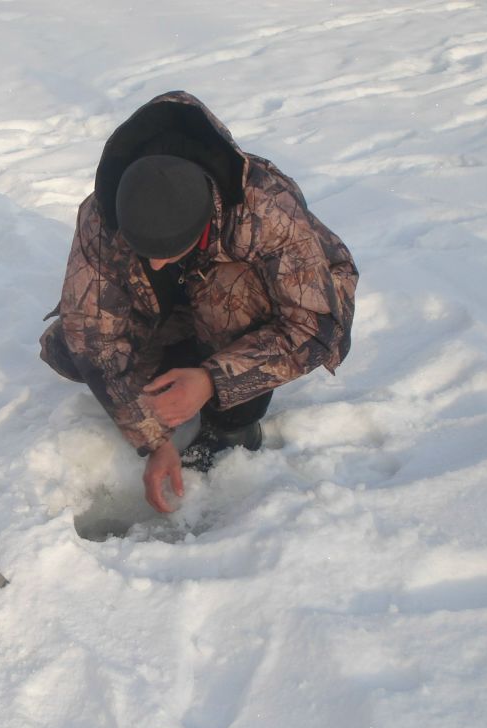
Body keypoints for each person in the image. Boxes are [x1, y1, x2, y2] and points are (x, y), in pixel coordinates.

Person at [40, 91, 358, 513]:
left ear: (205, 219)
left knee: (228, 293)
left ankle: (233, 426)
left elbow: (316, 327)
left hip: (276, 301)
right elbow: (93, 335)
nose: (153, 262)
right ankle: (184, 365)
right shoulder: (103, 213)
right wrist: (153, 440)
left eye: (166, 249)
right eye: (143, 250)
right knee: (66, 347)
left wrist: (213, 379)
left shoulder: (265, 206)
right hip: (178, 308)